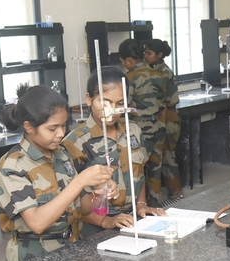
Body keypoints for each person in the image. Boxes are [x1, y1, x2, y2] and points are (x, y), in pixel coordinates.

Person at [0, 85, 114, 261]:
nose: (61, 133)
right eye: (52, 128)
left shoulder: (62, 154)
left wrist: (100, 192)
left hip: (72, 248)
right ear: (29, 127)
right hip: (34, 257)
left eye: (64, 125)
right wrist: (79, 181)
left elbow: (81, 208)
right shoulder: (13, 165)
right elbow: (37, 223)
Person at [61, 66, 166, 236]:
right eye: (105, 103)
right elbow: (70, 202)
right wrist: (106, 221)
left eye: (120, 103)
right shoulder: (74, 143)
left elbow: (139, 173)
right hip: (95, 225)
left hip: (132, 220)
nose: (113, 110)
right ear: (89, 99)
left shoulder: (133, 131)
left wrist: (141, 204)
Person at [121, 38, 169, 207]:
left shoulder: (130, 78)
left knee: (138, 168)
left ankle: (140, 207)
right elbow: (163, 102)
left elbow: (124, 105)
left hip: (141, 130)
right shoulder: (157, 73)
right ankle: (155, 205)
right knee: (155, 169)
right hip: (159, 127)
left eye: (123, 62)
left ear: (128, 60)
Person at [143, 38, 182, 201]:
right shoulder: (154, 70)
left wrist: (161, 126)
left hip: (168, 118)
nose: (146, 56)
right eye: (145, 53)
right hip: (163, 116)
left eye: (149, 53)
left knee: (168, 157)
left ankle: (176, 193)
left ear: (159, 55)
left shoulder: (162, 73)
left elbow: (164, 103)